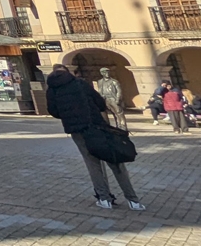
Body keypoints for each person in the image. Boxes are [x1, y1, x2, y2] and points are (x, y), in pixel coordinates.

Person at [46, 65, 145, 211]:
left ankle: (104, 199)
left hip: (77, 130)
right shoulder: (80, 83)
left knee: (92, 164)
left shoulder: (52, 89)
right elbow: (99, 102)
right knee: (115, 161)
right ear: (68, 72)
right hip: (98, 126)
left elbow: (53, 111)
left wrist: (69, 116)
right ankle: (133, 200)